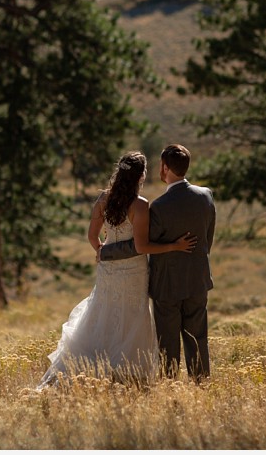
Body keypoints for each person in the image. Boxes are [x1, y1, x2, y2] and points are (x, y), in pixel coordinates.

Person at [38, 151, 196, 388]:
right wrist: (174, 245)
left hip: (108, 270)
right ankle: (125, 374)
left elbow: (92, 236)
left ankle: (89, 369)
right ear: (141, 176)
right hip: (133, 271)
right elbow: (141, 247)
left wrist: (102, 250)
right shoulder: (140, 205)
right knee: (130, 316)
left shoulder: (103, 198)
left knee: (103, 313)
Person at [99, 144, 216, 383]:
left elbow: (140, 245)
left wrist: (106, 252)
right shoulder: (206, 195)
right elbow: (208, 239)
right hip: (197, 279)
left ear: (164, 168)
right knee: (197, 337)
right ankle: (201, 385)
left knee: (168, 341)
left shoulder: (159, 207)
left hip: (167, 284)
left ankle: (170, 384)